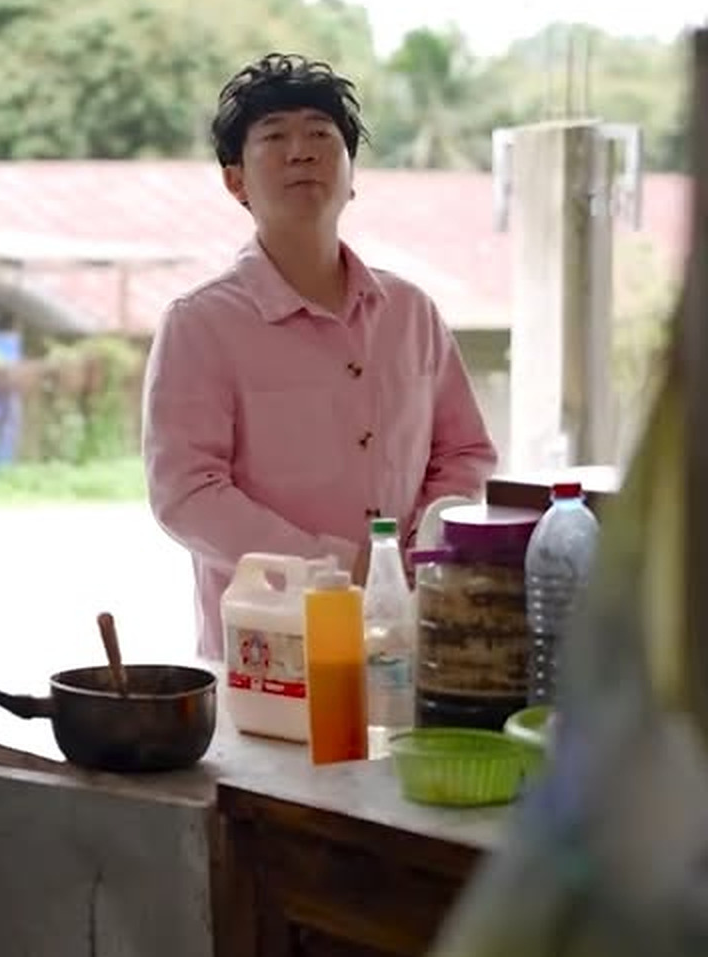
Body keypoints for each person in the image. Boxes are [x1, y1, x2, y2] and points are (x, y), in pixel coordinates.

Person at [142, 53, 498, 657]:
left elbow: (465, 452)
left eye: (320, 135)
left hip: (405, 636)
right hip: (269, 649)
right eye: (274, 137)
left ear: (352, 174)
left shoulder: (410, 312)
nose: (301, 152)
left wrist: (423, 547)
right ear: (235, 182)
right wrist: (335, 569)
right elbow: (187, 493)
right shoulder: (199, 324)